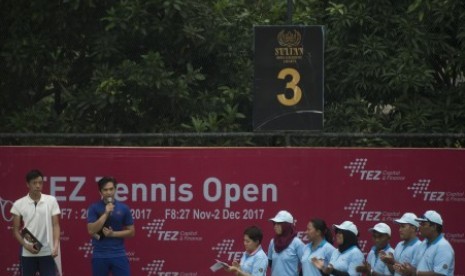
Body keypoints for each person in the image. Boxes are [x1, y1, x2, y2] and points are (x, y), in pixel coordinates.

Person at [10, 169, 61, 275]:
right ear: (27, 184)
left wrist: (56, 245)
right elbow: (15, 230)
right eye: (34, 183)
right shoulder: (18, 204)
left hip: (48, 252)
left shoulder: (51, 200)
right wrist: (26, 245)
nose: (38, 186)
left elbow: (55, 225)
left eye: (40, 183)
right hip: (27, 253)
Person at [87, 176, 135, 276]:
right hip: (99, 254)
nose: (109, 192)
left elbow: (131, 232)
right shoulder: (93, 208)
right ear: (100, 192)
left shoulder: (124, 208)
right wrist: (106, 213)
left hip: (119, 254)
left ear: (115, 189)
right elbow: (91, 230)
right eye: (105, 190)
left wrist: (113, 234)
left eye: (111, 189)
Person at [413, 210, 455, 275]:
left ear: (434, 227)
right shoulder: (423, 244)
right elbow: (415, 268)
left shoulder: (444, 247)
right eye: (420, 224)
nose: (419, 227)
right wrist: (406, 269)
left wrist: (416, 273)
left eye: (423, 224)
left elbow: (440, 275)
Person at [267, 210, 305, 276]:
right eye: (274, 223)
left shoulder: (297, 243)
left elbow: (305, 263)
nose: (275, 226)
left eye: (278, 224)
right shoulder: (272, 242)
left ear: (286, 226)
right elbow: (270, 262)